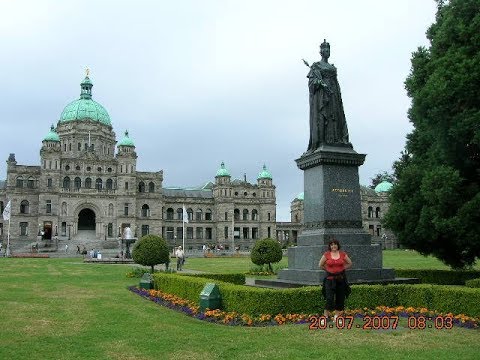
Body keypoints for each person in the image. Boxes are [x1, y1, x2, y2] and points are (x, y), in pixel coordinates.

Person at [304, 39, 351, 152]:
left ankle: (336, 139)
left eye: (328, 49)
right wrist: (320, 83)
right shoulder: (316, 66)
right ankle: (323, 140)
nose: (327, 51)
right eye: (324, 49)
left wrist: (335, 93)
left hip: (333, 94)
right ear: (321, 52)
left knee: (335, 116)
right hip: (322, 96)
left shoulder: (333, 68)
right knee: (324, 116)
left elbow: (336, 82)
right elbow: (311, 83)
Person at [318, 238, 352, 321]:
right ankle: (325, 316)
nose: (334, 246)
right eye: (332, 244)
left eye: (335, 244)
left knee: (340, 298)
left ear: (337, 245)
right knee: (329, 298)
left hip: (340, 279)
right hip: (329, 280)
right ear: (330, 246)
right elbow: (320, 265)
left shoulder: (343, 254)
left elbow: (350, 263)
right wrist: (328, 270)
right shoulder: (326, 254)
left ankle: (337, 316)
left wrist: (342, 269)